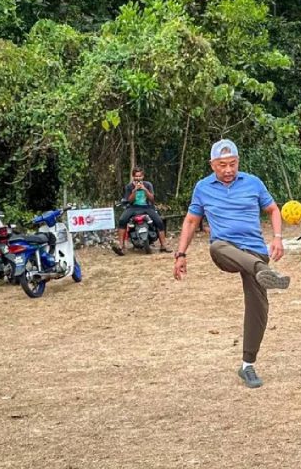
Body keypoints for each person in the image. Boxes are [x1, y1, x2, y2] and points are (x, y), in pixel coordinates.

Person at [173, 140, 291, 389]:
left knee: (258, 308)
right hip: (226, 250)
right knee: (216, 246)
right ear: (212, 165)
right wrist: (180, 254)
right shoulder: (203, 188)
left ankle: (247, 365)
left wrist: (278, 238)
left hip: (255, 251)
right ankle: (262, 271)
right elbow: (191, 221)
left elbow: (273, 209)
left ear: (238, 162)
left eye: (233, 164)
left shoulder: (253, 182)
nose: (228, 170)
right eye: (222, 165)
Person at [112, 167, 169, 255]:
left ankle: (163, 245)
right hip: (133, 207)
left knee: (159, 221)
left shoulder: (148, 185)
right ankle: (121, 246)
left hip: (147, 207)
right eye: (136, 176)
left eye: (140, 176)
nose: (138, 178)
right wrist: (134, 190)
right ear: (133, 176)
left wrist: (144, 189)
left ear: (143, 176)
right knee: (122, 220)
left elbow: (152, 199)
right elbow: (129, 201)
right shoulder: (129, 187)